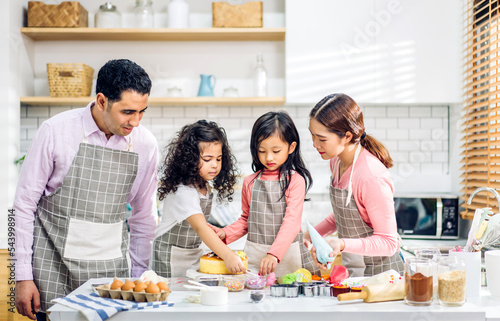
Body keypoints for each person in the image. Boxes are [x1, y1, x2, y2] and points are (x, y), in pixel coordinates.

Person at [14, 59, 159, 320]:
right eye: (127, 112)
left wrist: (138, 277)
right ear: (102, 101)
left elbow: (143, 216)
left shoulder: (145, 144)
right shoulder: (55, 131)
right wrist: (22, 276)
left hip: (111, 276)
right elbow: (23, 206)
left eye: (142, 112)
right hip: (52, 269)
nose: (135, 122)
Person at [306, 93, 404, 277]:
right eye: (312, 136)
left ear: (347, 136)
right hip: (356, 275)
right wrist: (313, 235)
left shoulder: (370, 176)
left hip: (383, 278)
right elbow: (344, 214)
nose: (314, 144)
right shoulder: (336, 162)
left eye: (322, 138)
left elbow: (389, 243)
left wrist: (342, 244)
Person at [212, 111, 320, 277]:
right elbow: (247, 220)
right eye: (262, 151)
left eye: (276, 151)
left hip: (289, 258)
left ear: (291, 147)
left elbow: (291, 223)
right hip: (255, 258)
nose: (268, 157)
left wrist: (274, 254)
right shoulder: (250, 182)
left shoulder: (295, 181)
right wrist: (226, 233)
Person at [151, 120, 246, 277]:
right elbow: (200, 227)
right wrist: (228, 255)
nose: (214, 165)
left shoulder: (204, 186)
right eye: (207, 159)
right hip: (169, 256)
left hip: (192, 252)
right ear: (190, 159)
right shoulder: (184, 192)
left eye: (219, 158)